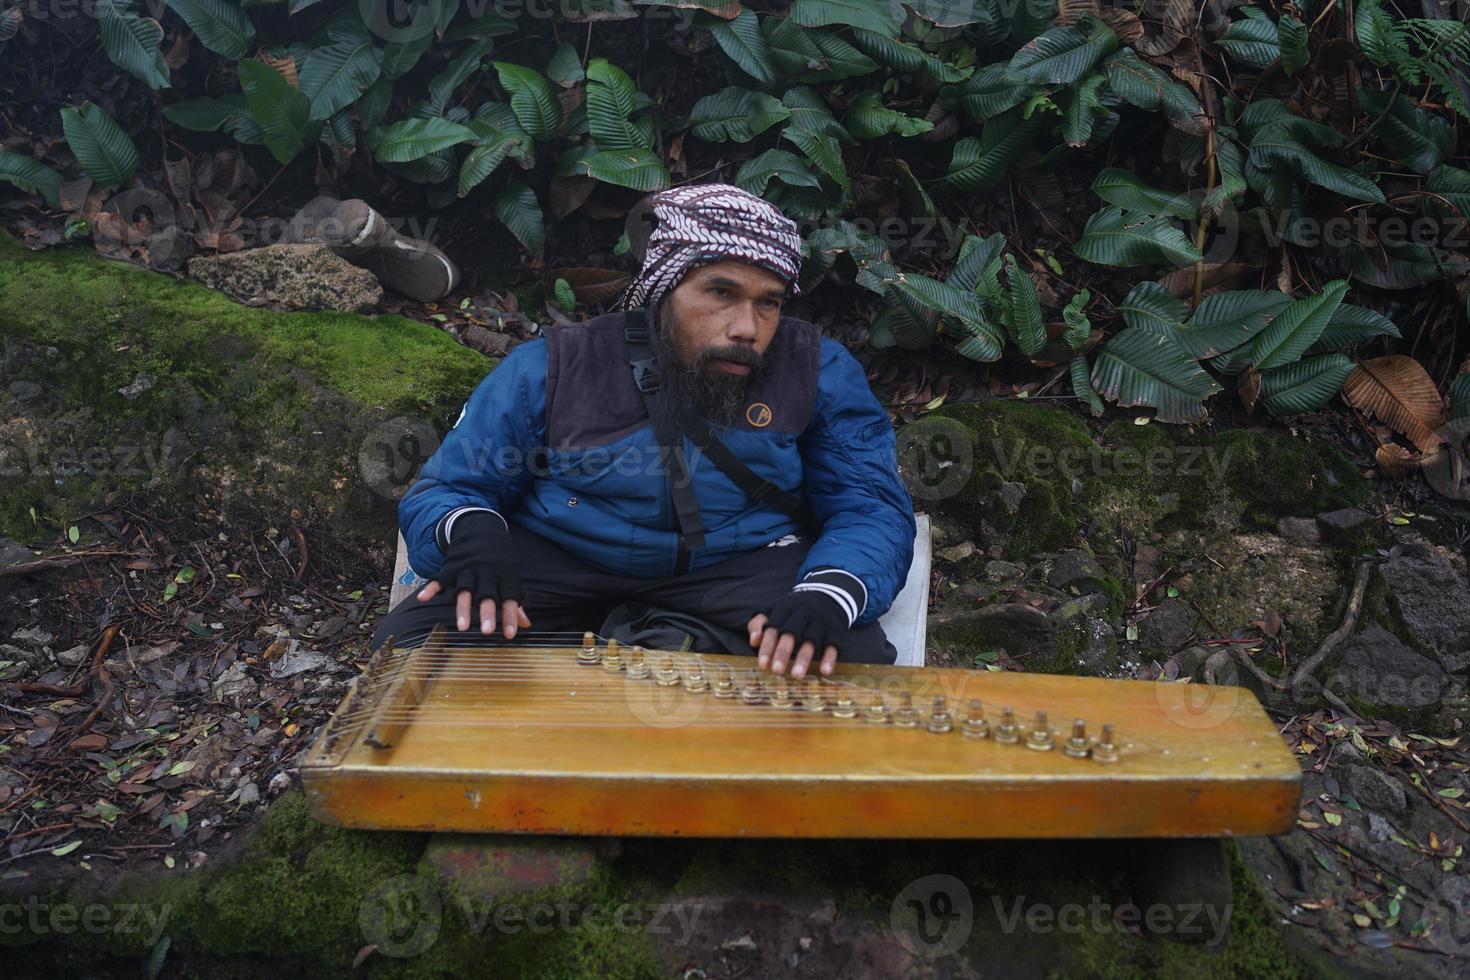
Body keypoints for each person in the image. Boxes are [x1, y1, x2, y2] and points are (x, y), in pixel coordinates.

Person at [372, 184, 915, 677]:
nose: (747, 328)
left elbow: (868, 504)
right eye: (721, 292)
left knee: (847, 663)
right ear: (663, 289)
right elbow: (450, 486)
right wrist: (473, 535)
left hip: (739, 562)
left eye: (767, 302)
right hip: (566, 557)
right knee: (416, 648)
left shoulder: (816, 370)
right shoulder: (556, 366)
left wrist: (829, 593)